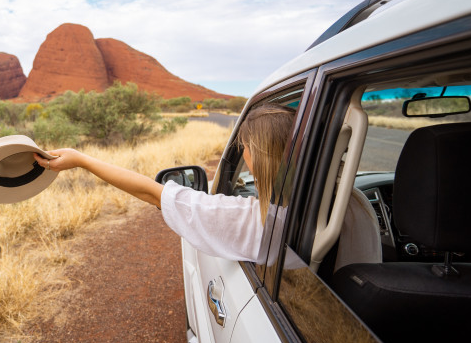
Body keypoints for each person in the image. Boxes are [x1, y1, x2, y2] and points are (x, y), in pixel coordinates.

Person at [33, 103, 297, 261]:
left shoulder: (252, 221)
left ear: (257, 162)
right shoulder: (331, 214)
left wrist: (82, 160)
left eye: (245, 152)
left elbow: (151, 192)